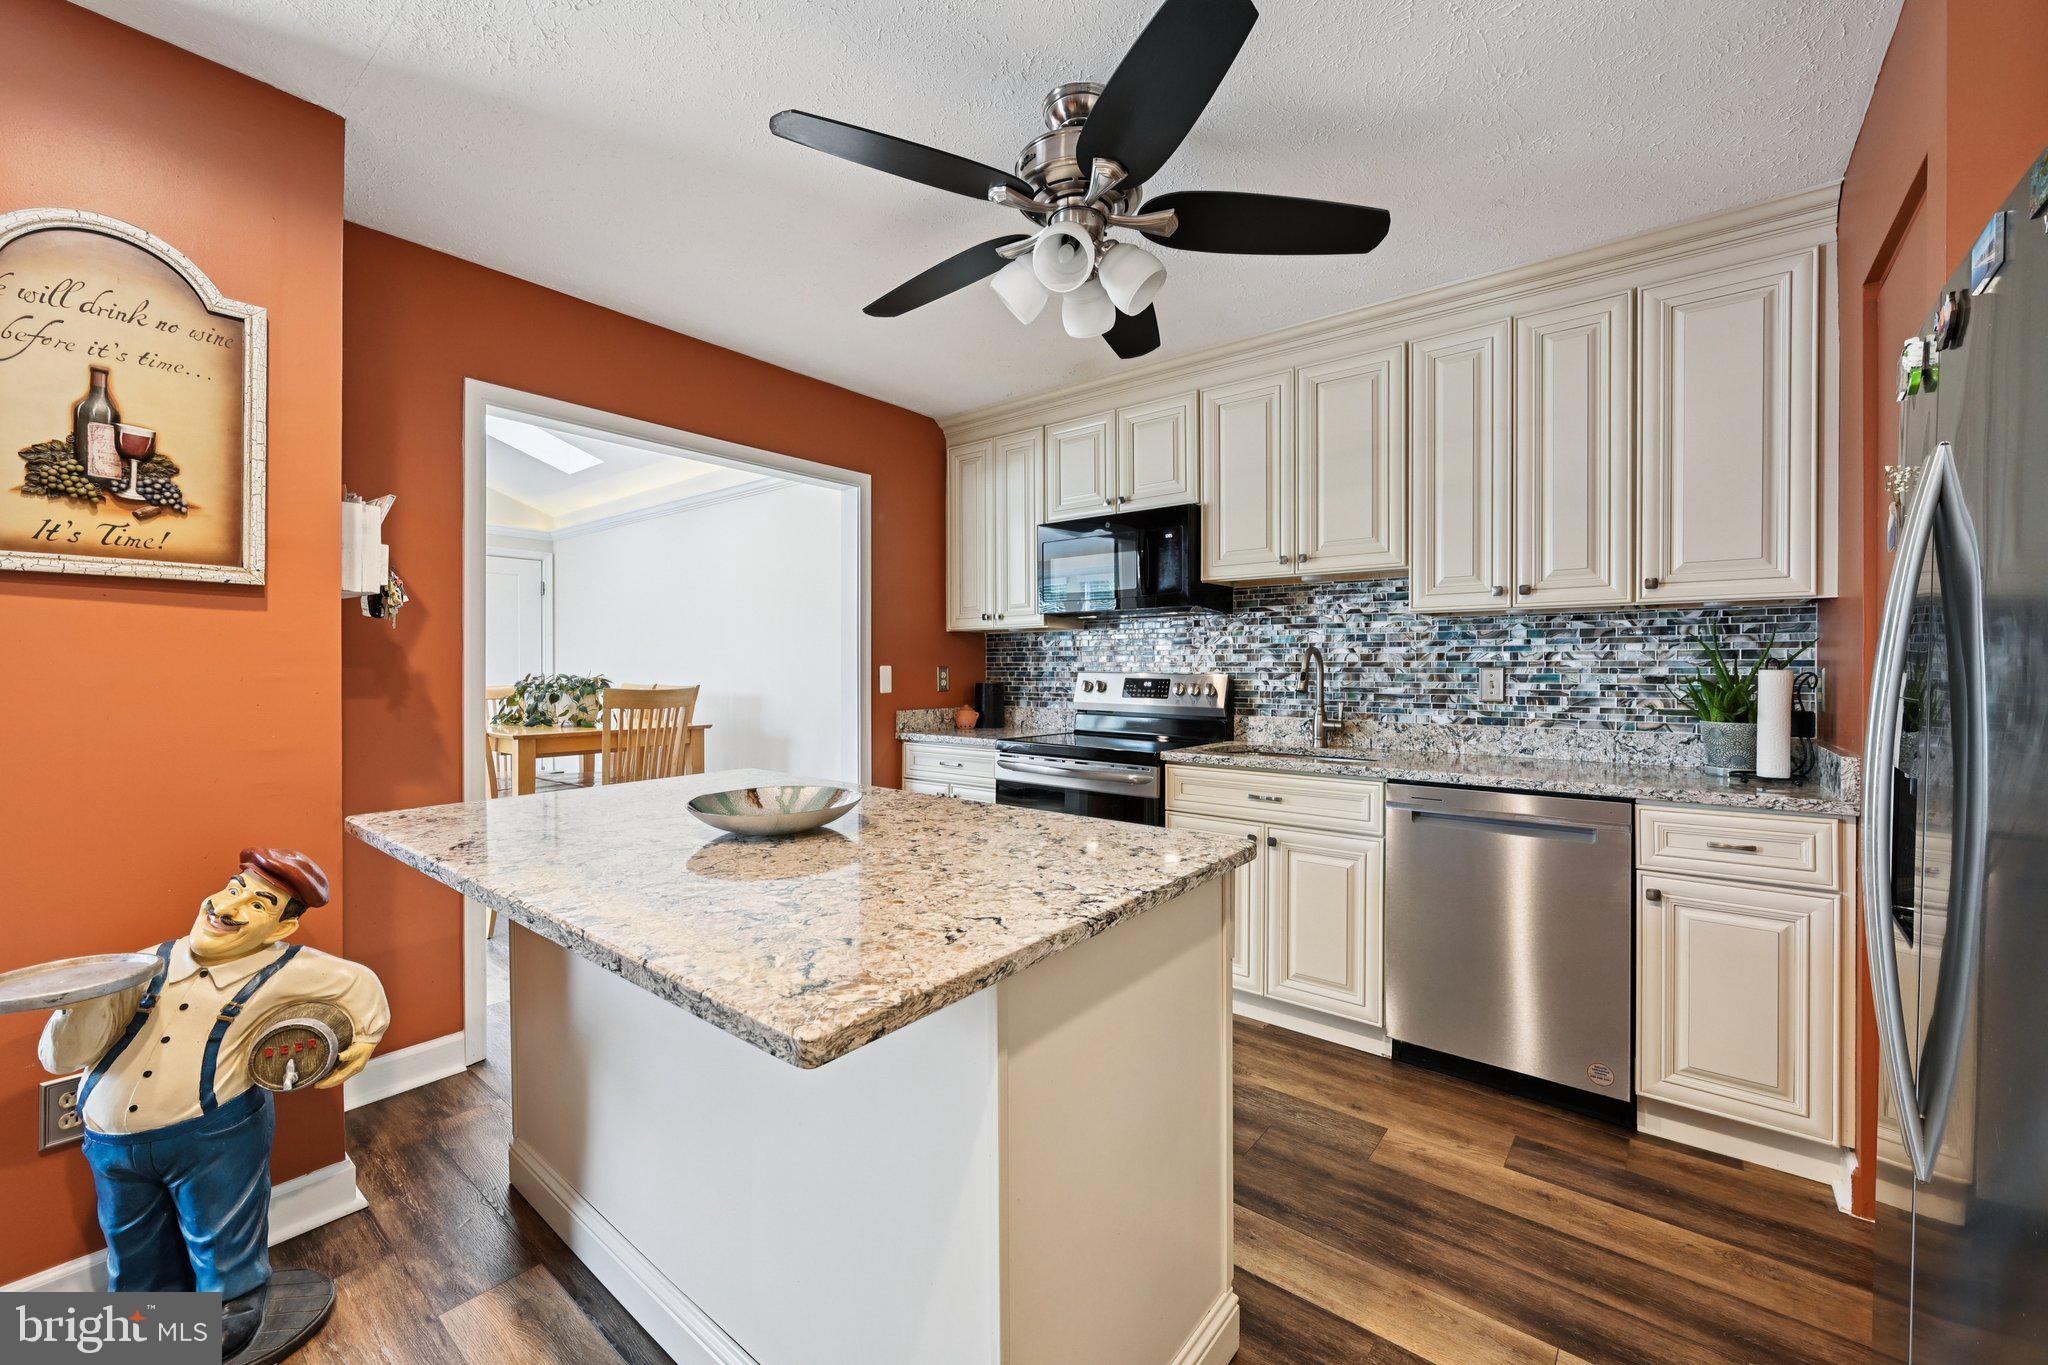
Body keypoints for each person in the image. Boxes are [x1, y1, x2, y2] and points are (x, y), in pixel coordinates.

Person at [38, 848, 388, 1361]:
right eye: (232, 888)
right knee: (131, 1238)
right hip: (112, 1143)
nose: (228, 908)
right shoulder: (141, 965)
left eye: (259, 904)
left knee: (221, 1230)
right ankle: (145, 1319)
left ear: (280, 930)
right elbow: (60, 1056)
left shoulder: (286, 969)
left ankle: (233, 1307)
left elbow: (360, 984)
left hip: (214, 1136)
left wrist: (363, 1040)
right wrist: (77, 1008)